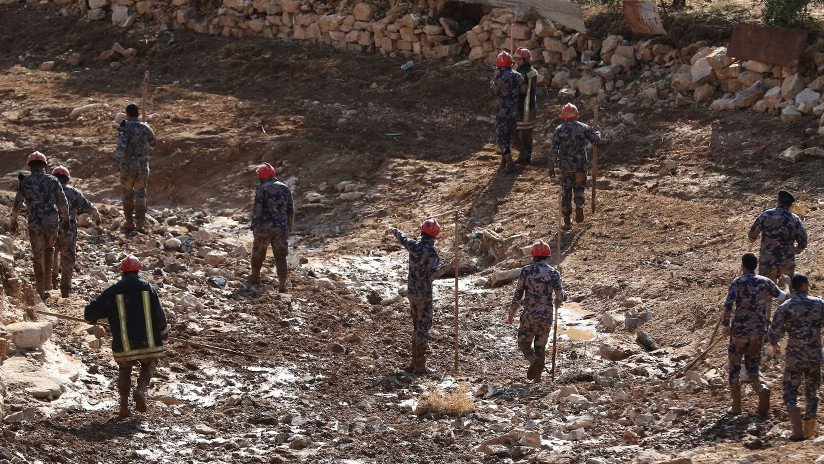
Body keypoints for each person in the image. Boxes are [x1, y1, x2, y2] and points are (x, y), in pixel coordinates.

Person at [84, 255, 168, 418]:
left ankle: (123, 407)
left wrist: (92, 316)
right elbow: (159, 314)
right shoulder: (148, 288)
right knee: (150, 363)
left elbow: (90, 314)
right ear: (138, 270)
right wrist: (163, 332)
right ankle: (141, 389)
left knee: (124, 369)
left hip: (124, 345)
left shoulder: (113, 290)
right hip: (148, 343)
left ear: (122, 272)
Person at [388, 219, 458, 374]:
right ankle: (420, 365)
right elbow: (433, 275)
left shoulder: (414, 245)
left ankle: (414, 363)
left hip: (411, 292)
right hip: (424, 294)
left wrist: (394, 230)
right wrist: (451, 266)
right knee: (423, 327)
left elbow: (402, 238)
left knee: (415, 325)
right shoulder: (431, 253)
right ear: (435, 235)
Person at [721, 252, 786, 418]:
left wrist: (725, 325)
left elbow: (728, 305)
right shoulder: (766, 282)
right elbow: (783, 297)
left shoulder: (737, 282)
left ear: (742, 265)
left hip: (739, 332)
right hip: (758, 332)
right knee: (753, 367)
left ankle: (736, 407)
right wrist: (786, 284)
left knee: (734, 367)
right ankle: (762, 391)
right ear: (755, 265)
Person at [768, 274, 824, 440]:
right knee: (812, 392)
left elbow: (773, 333)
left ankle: (798, 432)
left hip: (795, 357)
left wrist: (775, 345)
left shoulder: (786, 306)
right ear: (805, 285)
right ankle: (810, 431)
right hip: (815, 355)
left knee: (790, 392)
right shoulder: (819, 303)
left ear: (792, 287)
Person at [9, 151, 69, 300]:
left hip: (35, 223)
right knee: (49, 249)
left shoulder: (25, 182)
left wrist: (14, 220)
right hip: (52, 222)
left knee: (37, 255)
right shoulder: (54, 180)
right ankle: (48, 284)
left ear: (30, 166)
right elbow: (62, 202)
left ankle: (41, 291)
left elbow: (17, 204)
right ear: (44, 165)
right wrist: (66, 218)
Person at [508, 240, 564, 383]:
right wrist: (559, 300)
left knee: (523, 342)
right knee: (540, 345)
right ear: (548, 256)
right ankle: (537, 378)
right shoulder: (554, 273)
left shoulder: (526, 271)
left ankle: (533, 360)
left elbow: (518, 295)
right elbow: (560, 296)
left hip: (530, 313)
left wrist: (511, 314)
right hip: (547, 314)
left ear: (532, 256)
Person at [50, 166, 101, 298]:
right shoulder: (74, 192)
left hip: (50, 229)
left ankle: (50, 286)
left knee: (50, 256)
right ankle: (65, 292)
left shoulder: (48, 190)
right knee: (67, 260)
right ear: (67, 179)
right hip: (68, 231)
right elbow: (89, 207)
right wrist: (97, 218)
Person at [551, 103, 601, 229]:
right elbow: (596, 140)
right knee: (579, 187)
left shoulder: (559, 129)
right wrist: (598, 133)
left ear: (563, 115)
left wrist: (550, 166)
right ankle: (579, 204)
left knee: (566, 191)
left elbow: (553, 150)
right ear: (576, 114)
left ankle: (567, 221)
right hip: (580, 166)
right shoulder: (583, 127)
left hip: (565, 167)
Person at [250, 162, 294, 292]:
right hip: (281, 228)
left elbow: (257, 210)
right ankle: (282, 285)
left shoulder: (261, 189)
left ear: (261, 176)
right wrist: (288, 228)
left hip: (263, 228)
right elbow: (290, 211)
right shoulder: (285, 188)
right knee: (280, 256)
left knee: (258, 253)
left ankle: (255, 278)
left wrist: (254, 228)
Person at [748, 190, 807, 285]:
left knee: (765, 290)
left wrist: (753, 239)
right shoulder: (795, 219)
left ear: (778, 200)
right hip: (786, 262)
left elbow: (752, 234)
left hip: (767, 261)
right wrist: (795, 251)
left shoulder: (766, 214)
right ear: (790, 205)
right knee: (787, 290)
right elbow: (803, 242)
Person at [113, 103, 156, 233]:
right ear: (138, 113)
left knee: (127, 193)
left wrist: (115, 163)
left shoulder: (124, 127)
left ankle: (129, 223)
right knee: (141, 193)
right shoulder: (145, 127)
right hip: (142, 167)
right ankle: (141, 225)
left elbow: (121, 147)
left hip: (127, 168)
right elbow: (153, 143)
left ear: (127, 114)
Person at [490, 51, 526, 173]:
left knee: (502, 138)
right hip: (514, 112)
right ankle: (504, 161)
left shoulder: (499, 77)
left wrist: (493, 81)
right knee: (509, 135)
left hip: (502, 112)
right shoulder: (518, 75)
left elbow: (493, 91)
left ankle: (509, 162)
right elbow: (523, 91)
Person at [512, 47, 538, 165]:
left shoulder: (522, 73)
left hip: (523, 107)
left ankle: (524, 153)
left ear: (526, 60)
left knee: (513, 131)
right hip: (531, 106)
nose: (517, 61)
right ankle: (525, 157)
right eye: (517, 59)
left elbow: (523, 90)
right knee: (527, 133)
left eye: (520, 59)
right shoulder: (532, 71)